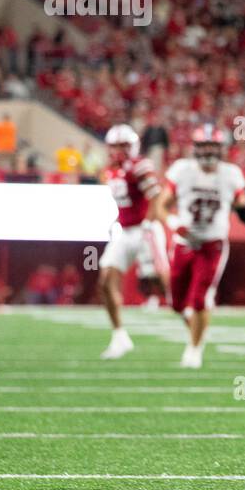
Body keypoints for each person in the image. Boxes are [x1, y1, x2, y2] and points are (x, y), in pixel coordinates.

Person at [163, 124, 245, 368]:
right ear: (195, 148)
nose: (208, 151)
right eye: (204, 146)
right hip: (183, 243)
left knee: (199, 299)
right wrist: (173, 222)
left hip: (212, 245)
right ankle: (198, 332)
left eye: (212, 146)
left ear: (221, 149)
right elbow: (160, 204)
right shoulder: (182, 170)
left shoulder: (230, 173)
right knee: (176, 303)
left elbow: (241, 204)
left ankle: (195, 349)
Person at [98, 124, 169, 360]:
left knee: (162, 281)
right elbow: (124, 202)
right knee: (106, 279)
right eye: (114, 146)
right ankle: (119, 337)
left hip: (145, 229)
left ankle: (189, 315)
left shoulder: (140, 165)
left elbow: (156, 196)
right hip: (125, 231)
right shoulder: (110, 171)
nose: (117, 150)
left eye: (122, 146)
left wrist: (150, 222)